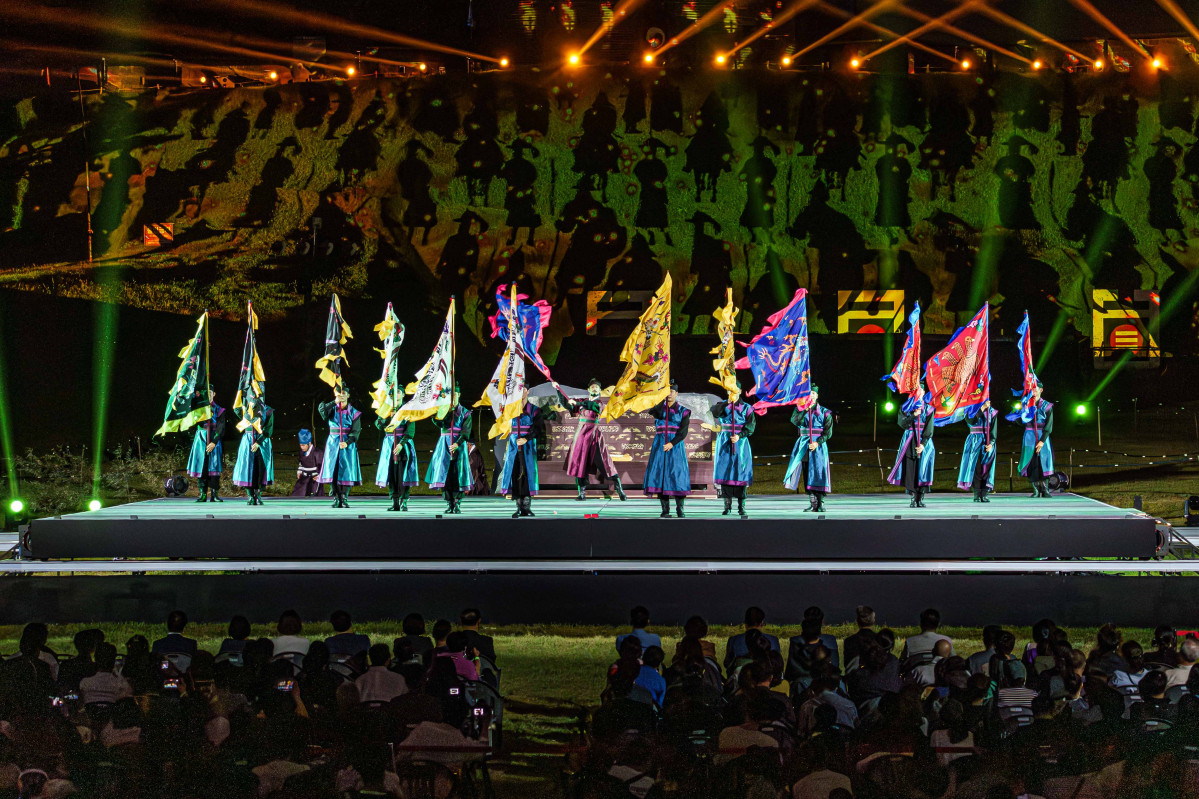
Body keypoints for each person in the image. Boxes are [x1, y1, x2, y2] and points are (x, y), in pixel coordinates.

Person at [554, 378, 628, 501]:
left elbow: (592, 406)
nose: (594, 389)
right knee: (579, 462)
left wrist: (577, 403)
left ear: (599, 390)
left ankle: (619, 489)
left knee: (605, 462)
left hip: (594, 434)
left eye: (596, 387)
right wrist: (558, 390)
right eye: (592, 387)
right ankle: (582, 493)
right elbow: (567, 404)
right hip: (581, 434)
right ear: (588, 389)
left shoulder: (600, 403)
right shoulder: (582, 401)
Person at [497, 386, 554, 518]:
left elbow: (538, 428)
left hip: (527, 445)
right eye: (519, 389)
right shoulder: (511, 408)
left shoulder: (534, 410)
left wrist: (526, 438)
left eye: (523, 389)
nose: (521, 391)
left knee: (527, 474)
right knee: (515, 472)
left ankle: (526, 507)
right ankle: (518, 506)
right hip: (514, 444)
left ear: (527, 392)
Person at [644, 380, 692, 518]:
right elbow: (654, 412)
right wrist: (661, 397)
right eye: (667, 391)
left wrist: (672, 443)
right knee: (660, 475)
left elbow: (683, 432)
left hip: (675, 446)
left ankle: (680, 508)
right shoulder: (659, 410)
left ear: (676, 393)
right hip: (660, 445)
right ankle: (665, 509)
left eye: (671, 391)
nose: (669, 394)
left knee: (677, 475)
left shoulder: (683, 411)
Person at [710, 382, 756, 518]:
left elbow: (751, 427)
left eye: (734, 391)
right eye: (729, 391)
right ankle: (727, 506)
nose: (732, 393)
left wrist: (739, 436)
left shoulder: (747, 408)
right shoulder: (722, 405)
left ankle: (741, 506)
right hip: (725, 441)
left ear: (740, 391)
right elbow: (715, 413)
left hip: (740, 442)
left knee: (740, 472)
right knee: (725, 471)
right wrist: (727, 403)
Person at [784, 387, 834, 511]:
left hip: (818, 446)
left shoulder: (825, 412)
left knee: (819, 472)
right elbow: (795, 421)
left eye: (813, 393)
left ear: (817, 396)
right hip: (804, 445)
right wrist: (804, 409)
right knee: (807, 473)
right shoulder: (800, 410)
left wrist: (817, 442)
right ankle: (813, 503)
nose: (811, 395)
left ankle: (820, 503)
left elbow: (828, 433)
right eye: (808, 393)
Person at [426, 384, 472, 514]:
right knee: (444, 474)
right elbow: (439, 423)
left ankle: (457, 503)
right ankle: (449, 502)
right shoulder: (444, 410)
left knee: (458, 474)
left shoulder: (465, 412)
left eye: (455, 394)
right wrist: (438, 414)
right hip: (444, 445)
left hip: (458, 445)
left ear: (459, 395)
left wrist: (457, 443)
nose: (453, 397)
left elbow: (466, 431)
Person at [888, 386, 936, 507]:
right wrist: (914, 415)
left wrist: (923, 444)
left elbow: (929, 428)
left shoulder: (929, 409)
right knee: (911, 468)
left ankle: (920, 497)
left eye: (920, 390)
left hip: (924, 442)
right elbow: (902, 423)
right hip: (910, 440)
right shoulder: (906, 407)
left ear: (923, 392)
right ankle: (913, 497)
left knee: (922, 469)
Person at [317, 385, 362, 508]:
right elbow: (322, 410)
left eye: (344, 393)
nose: (341, 395)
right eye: (339, 393)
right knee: (334, 470)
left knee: (346, 470)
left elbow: (356, 430)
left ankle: (344, 497)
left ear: (348, 395)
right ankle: (336, 497)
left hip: (347, 444)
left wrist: (347, 442)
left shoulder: (354, 412)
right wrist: (334, 402)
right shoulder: (331, 409)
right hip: (333, 443)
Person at [374, 412, 419, 512]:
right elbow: (379, 425)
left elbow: (410, 430)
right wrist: (387, 418)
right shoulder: (386, 409)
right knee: (392, 473)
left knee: (404, 473)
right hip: (389, 444)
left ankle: (404, 501)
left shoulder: (407, 409)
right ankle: (395, 502)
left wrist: (401, 444)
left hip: (403, 444)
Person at [1017, 379, 1054, 498]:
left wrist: (1042, 441)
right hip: (1029, 436)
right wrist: (1017, 413)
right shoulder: (1026, 404)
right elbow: (1020, 422)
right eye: (1031, 389)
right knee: (1031, 462)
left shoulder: (1047, 406)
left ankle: (1045, 489)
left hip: (1042, 436)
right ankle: (1036, 490)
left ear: (1041, 390)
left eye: (1035, 389)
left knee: (1044, 461)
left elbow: (1049, 425)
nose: (1033, 391)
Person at [187, 389, 226, 502]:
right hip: (201, 439)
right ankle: (203, 494)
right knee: (202, 466)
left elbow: (221, 427)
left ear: (214, 394)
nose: (208, 395)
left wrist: (214, 442)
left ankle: (214, 494)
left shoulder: (219, 410)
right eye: (206, 393)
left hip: (214, 438)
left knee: (214, 466)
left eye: (210, 393)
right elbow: (194, 421)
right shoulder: (199, 408)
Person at [232, 402, 274, 505]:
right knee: (248, 468)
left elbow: (268, 429)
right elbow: (236, 409)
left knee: (261, 468)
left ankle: (258, 495)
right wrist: (241, 394)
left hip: (262, 442)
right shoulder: (246, 409)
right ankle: (250, 495)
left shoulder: (267, 410)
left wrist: (258, 442)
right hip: (248, 441)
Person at [958, 399, 998, 502]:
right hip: (974, 441)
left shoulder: (992, 412)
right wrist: (982, 408)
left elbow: (993, 429)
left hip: (987, 442)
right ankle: (977, 493)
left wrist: (991, 442)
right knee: (976, 468)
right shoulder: (969, 409)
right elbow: (972, 421)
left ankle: (984, 493)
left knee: (986, 468)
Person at [724, 606, 780, 672]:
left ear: (745, 624)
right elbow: (778, 665)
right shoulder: (773, 640)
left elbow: (727, 664)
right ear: (761, 623)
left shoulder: (733, 640)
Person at [843, 606, 879, 671]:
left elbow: (847, 664)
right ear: (873, 621)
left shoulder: (849, 641)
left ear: (857, 621)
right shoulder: (879, 639)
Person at [291, 429, 324, 497]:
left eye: (303, 445)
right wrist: (299, 471)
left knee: (315, 496)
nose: (301, 447)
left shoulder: (317, 453)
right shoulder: (301, 453)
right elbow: (301, 463)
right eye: (300, 445)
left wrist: (319, 476)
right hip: (304, 478)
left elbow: (322, 466)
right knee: (296, 496)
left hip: (314, 479)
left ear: (309, 443)